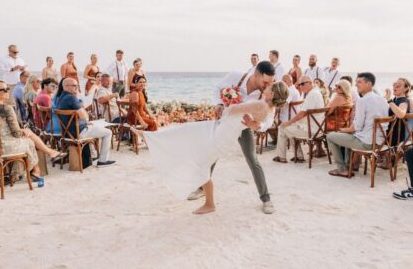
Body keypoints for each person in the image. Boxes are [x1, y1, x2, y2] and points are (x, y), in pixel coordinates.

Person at [132, 81, 289, 215]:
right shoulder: (271, 108)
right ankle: (150, 137)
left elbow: (232, 111)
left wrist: (229, 104)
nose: (267, 87)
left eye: (270, 87)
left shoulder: (260, 103)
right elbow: (262, 122)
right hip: (225, 134)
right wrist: (252, 122)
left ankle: (210, 204)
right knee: (193, 140)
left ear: (273, 94)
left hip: (222, 133)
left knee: (195, 147)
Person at [188, 61, 278, 214]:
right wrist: (219, 104)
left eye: (271, 82)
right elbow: (217, 88)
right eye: (265, 81)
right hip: (225, 122)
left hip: (245, 127)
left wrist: (258, 127)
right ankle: (202, 188)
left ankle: (266, 198)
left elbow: (270, 116)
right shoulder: (236, 76)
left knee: (252, 159)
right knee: (213, 152)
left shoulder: (268, 92)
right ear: (256, 75)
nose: (268, 85)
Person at [0, 80, 66, 183]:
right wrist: (25, 131)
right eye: (2, 90)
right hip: (3, 148)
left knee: (27, 134)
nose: (7, 91)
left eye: (7, 88)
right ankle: (36, 170)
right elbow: (16, 133)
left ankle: (16, 173)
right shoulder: (6, 108)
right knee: (29, 140)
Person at [326, 73, 389, 178]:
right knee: (349, 135)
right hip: (381, 142)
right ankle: (347, 166)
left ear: (369, 84)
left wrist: (342, 130)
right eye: (356, 82)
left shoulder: (362, 101)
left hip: (367, 143)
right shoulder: (383, 100)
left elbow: (356, 127)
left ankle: (342, 169)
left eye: (359, 82)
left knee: (330, 136)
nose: (356, 85)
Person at [56, 78, 116, 167]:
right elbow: (85, 116)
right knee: (108, 132)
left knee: (95, 125)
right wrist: (77, 100)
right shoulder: (71, 98)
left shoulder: (60, 98)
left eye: (77, 85)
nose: (77, 87)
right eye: (74, 86)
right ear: (66, 87)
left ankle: (96, 157)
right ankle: (103, 161)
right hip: (78, 133)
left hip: (67, 134)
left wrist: (84, 121)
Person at [273, 75, 325, 163]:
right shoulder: (316, 92)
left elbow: (302, 113)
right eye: (299, 84)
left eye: (302, 84)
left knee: (282, 128)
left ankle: (281, 157)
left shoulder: (312, 94)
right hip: (315, 127)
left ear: (310, 83)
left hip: (311, 130)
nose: (300, 86)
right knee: (290, 128)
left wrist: (289, 122)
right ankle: (299, 156)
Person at [380, 78, 411, 169]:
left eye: (398, 85)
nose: (395, 86)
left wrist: (389, 101)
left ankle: (392, 155)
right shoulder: (395, 99)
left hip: (395, 134)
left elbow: (401, 114)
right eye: (394, 84)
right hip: (391, 131)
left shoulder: (403, 100)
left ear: (406, 89)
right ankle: (391, 156)